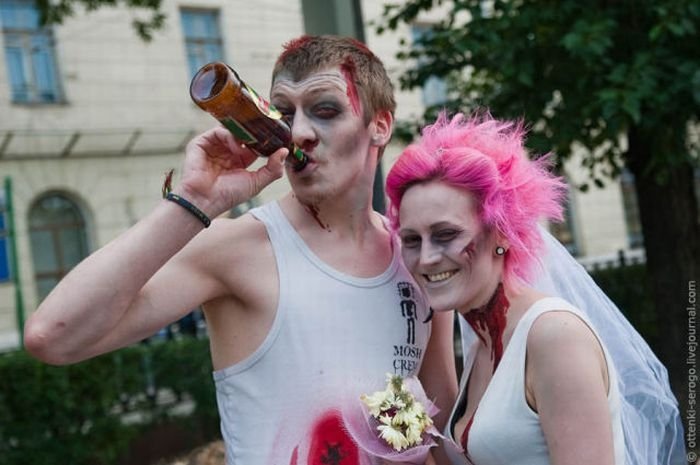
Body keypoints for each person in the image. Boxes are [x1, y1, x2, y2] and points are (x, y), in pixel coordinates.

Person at [23, 36, 457, 465]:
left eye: (325, 110)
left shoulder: (417, 257)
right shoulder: (237, 248)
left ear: (380, 125)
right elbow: (53, 338)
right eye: (283, 114)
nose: (300, 132)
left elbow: (442, 414)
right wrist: (193, 202)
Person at [385, 112, 685, 465]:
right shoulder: (484, 347)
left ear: (501, 233)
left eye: (446, 235)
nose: (427, 258)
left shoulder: (554, 336)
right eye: (411, 240)